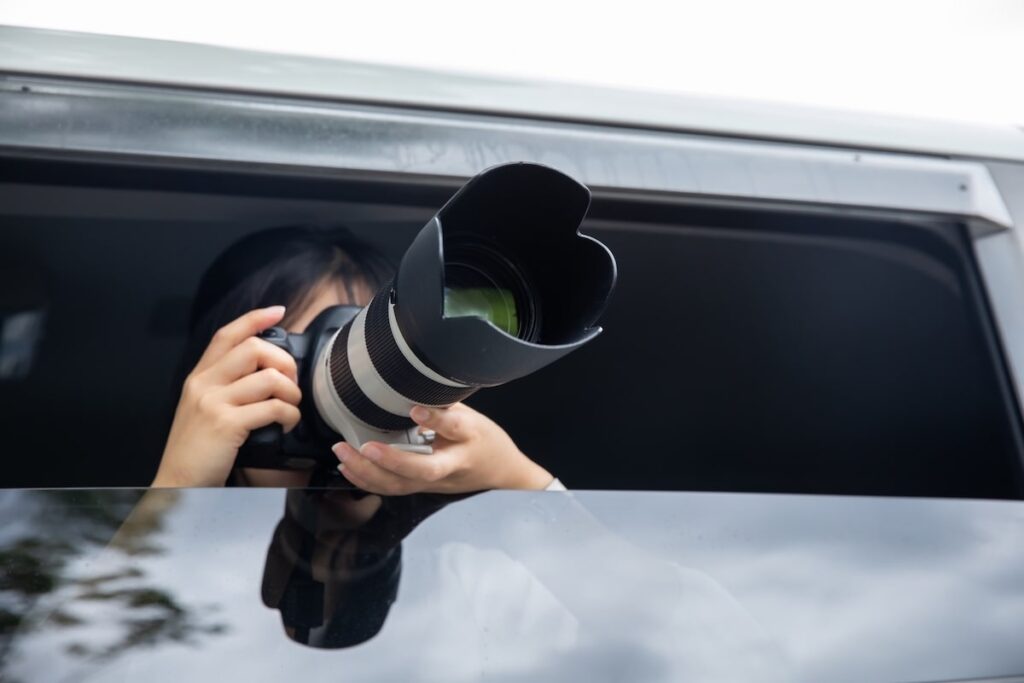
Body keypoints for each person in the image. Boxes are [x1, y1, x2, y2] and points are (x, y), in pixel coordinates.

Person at [152, 226, 559, 492]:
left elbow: (593, 589)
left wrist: (513, 478)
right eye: (304, 359)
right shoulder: (190, 553)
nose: (355, 379)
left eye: (379, 354)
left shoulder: (460, 566)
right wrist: (178, 488)